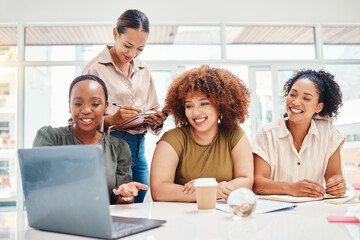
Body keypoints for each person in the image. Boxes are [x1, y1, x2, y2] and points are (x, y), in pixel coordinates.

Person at [82, 9, 167, 203]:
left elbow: (153, 107)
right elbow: (78, 122)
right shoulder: (95, 69)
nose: (132, 54)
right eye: (128, 45)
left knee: (139, 201)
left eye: (140, 49)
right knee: (118, 205)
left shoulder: (144, 70)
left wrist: (155, 120)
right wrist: (112, 119)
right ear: (115, 33)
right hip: (112, 146)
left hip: (140, 147)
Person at [33, 75, 148, 204]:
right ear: (69, 106)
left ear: (106, 107)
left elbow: (119, 203)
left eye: (95, 104)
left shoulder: (119, 148)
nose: (86, 110)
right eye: (78, 103)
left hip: (102, 222)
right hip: (56, 220)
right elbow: (37, 188)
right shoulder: (50, 138)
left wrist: (126, 195)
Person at [150, 65, 254, 202]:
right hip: (182, 216)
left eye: (203, 104)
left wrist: (208, 188)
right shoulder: (173, 139)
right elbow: (159, 191)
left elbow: (246, 180)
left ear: (220, 105)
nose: (195, 113)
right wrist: (209, 190)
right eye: (189, 106)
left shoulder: (233, 134)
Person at [253, 69, 346, 198]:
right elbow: (258, 184)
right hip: (275, 214)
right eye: (293, 94)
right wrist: (291, 188)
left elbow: (334, 175)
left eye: (306, 98)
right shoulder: (267, 134)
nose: (296, 102)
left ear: (318, 107)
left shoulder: (328, 132)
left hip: (314, 210)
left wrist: (337, 184)